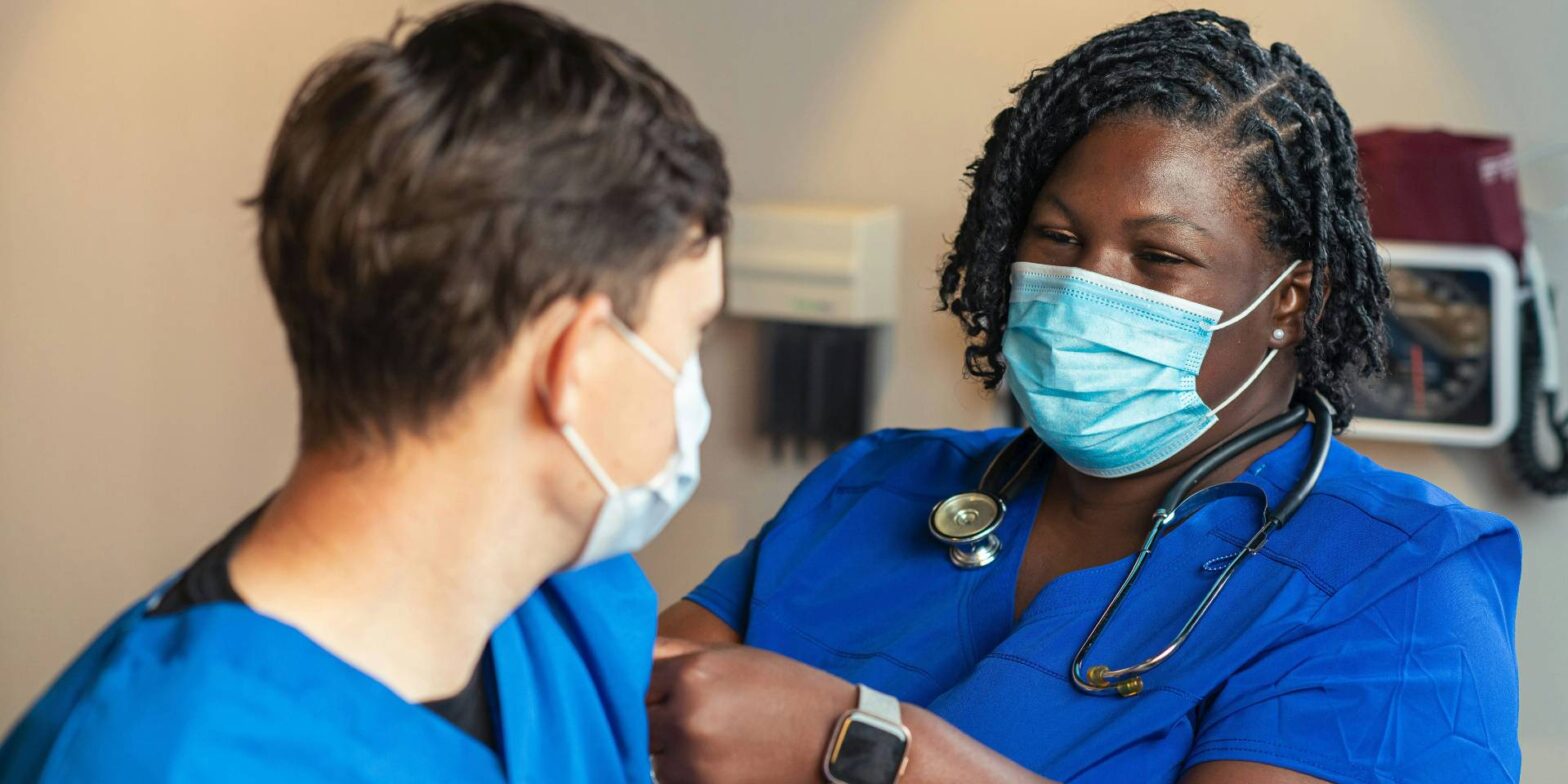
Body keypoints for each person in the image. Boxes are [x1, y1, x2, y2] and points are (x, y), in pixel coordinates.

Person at [652, 10, 1520, 784]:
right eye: (1058, 238)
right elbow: (623, 709)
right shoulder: (875, 488)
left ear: (1293, 301)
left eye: (1160, 259)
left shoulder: (1398, 581)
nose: (1082, 288)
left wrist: (866, 747)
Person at [0, 2, 727, 781]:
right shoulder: (166, 757)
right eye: (690, 338)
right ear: (573, 363)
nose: (689, 393)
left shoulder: (564, 602)